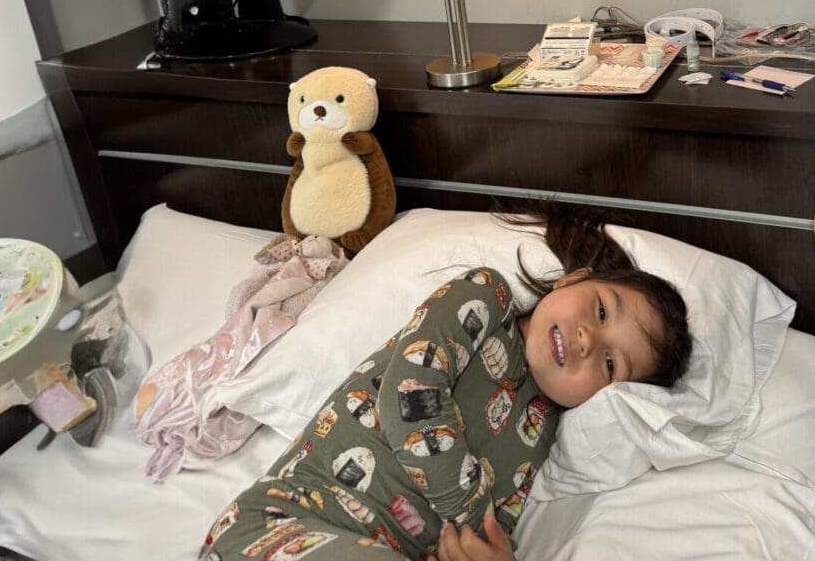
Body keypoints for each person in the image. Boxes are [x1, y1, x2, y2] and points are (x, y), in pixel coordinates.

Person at [198, 201, 692, 561]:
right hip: (279, 524)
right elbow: (410, 397)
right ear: (570, 280)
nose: (588, 340)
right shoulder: (486, 298)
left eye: (610, 365)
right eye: (602, 310)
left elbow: (486, 531)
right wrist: (472, 516)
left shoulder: (540, 436)